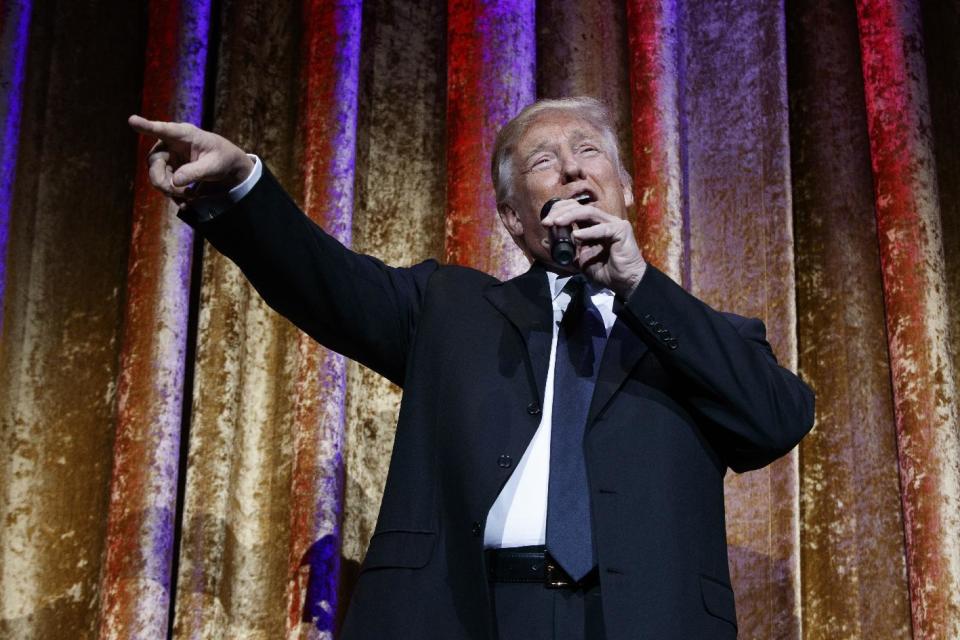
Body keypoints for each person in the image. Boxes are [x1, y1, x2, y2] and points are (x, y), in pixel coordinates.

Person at [129, 97, 814, 640]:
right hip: (465, 611)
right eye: (545, 159)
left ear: (626, 191)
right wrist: (240, 186)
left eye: (589, 152)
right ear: (514, 219)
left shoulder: (704, 337)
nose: (574, 169)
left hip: (639, 618)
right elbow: (322, 280)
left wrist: (638, 283)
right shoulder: (448, 308)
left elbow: (776, 420)